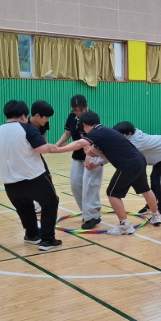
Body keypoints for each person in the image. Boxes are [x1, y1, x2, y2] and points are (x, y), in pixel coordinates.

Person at [50, 111, 161, 235]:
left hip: (128, 165)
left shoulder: (96, 132)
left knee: (113, 194)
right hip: (139, 160)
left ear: (84, 125)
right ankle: (156, 215)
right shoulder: (104, 131)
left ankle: (125, 225)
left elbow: (79, 143)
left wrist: (57, 149)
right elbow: (110, 156)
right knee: (145, 189)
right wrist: (95, 157)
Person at [0, 100, 62, 251]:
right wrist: (51, 146)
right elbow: (42, 149)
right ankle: (47, 240)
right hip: (34, 177)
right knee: (50, 203)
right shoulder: (27, 128)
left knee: (25, 208)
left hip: (10, 182)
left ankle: (32, 235)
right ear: (23, 116)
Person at [55, 95, 104, 230]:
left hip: (94, 154)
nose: (78, 112)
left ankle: (92, 215)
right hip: (77, 154)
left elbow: (92, 140)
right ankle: (87, 213)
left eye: (80, 110)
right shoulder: (72, 116)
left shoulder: (91, 117)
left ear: (86, 106)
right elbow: (67, 133)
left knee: (90, 185)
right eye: (75, 110)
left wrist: (89, 157)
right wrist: (56, 145)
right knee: (75, 184)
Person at [113, 122, 161, 219]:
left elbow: (120, 153)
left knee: (158, 179)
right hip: (159, 152)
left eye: (121, 136)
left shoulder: (136, 142)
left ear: (129, 134)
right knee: (154, 178)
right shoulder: (131, 138)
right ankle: (151, 205)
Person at [29, 100, 54, 214]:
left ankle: (43, 203)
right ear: (37, 115)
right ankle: (33, 204)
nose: (47, 120)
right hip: (26, 157)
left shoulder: (44, 123)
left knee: (47, 176)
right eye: (46, 117)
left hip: (37, 154)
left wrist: (45, 145)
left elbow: (43, 137)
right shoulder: (25, 126)